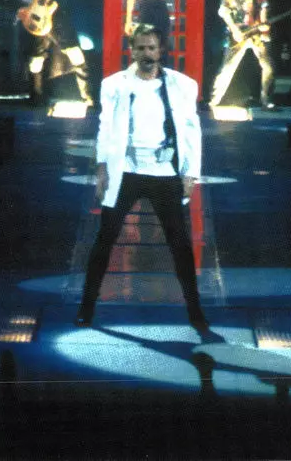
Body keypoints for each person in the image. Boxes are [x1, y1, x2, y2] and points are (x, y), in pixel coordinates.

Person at [75, 23, 208, 331]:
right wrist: (102, 168)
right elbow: (106, 126)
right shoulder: (114, 85)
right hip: (126, 171)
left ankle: (195, 311)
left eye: (151, 48)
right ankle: (86, 308)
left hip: (164, 172)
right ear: (132, 50)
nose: (146, 54)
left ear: (161, 51)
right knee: (105, 238)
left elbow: (192, 130)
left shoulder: (182, 85)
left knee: (179, 242)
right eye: (140, 48)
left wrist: (191, 173)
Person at [11, 0, 92, 106]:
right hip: (33, 22)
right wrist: (18, 11)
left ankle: (87, 95)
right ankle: (35, 98)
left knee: (75, 53)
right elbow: (8, 0)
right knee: (35, 61)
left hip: (55, 17)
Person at [209, 0, 275, 109]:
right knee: (227, 67)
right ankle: (214, 100)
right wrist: (234, 29)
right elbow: (223, 9)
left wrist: (264, 24)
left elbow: (264, 4)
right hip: (237, 31)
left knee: (268, 66)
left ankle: (265, 99)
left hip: (257, 31)